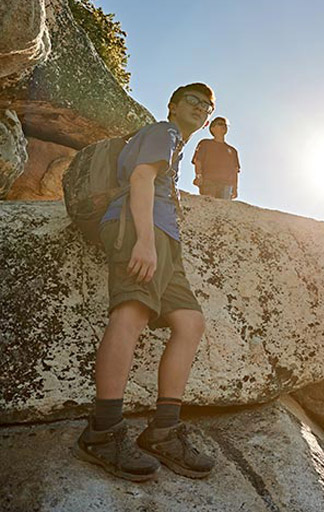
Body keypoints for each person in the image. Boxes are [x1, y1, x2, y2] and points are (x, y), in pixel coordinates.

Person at [73, 83, 217, 481]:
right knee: (131, 315)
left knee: (190, 323)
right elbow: (140, 179)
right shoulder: (162, 131)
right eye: (193, 101)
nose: (200, 108)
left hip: (165, 239)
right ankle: (102, 432)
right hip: (141, 230)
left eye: (206, 105)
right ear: (172, 106)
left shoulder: (176, 144)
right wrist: (145, 242)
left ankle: (164, 431)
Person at [191, 116, 240, 199]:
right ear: (212, 128)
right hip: (208, 182)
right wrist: (198, 176)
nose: (224, 126)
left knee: (223, 210)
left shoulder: (233, 150)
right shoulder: (205, 143)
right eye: (220, 124)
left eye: (225, 125)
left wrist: (235, 188)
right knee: (209, 207)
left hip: (226, 185)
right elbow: (198, 161)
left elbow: (234, 171)